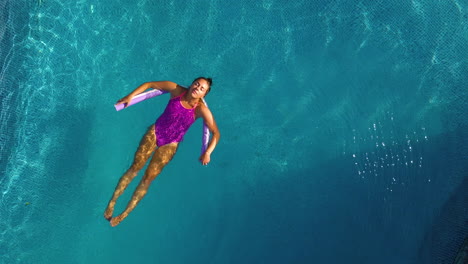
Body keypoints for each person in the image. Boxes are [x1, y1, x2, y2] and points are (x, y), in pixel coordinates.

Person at [104, 77, 220, 227]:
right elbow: (149, 84)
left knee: (147, 179)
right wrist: (130, 96)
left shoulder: (201, 110)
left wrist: (208, 152)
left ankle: (124, 214)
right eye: (197, 84)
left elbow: (216, 133)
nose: (198, 88)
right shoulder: (176, 90)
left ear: (203, 95)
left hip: (170, 144)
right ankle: (112, 203)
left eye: (202, 88)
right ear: (191, 84)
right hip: (155, 133)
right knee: (135, 168)